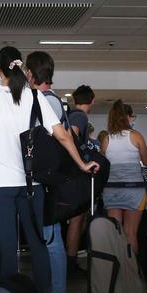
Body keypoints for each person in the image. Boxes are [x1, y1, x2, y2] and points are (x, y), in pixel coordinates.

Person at [0, 46, 98, 293]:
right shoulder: (35, 97)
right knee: (38, 244)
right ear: (22, 68)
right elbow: (62, 136)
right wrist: (82, 164)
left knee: (6, 247)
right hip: (32, 184)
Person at [25, 50, 66, 293]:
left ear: (29, 73)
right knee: (48, 241)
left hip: (46, 183)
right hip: (47, 180)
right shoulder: (51, 101)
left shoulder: (44, 101)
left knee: (51, 242)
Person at [101, 99, 147, 253]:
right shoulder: (136, 136)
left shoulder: (106, 139)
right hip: (133, 190)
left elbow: (103, 164)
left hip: (112, 189)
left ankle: (116, 272)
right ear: (127, 117)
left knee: (115, 234)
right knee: (131, 233)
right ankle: (130, 273)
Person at [64, 85, 95, 273]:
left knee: (78, 220)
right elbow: (70, 136)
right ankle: (71, 262)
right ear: (91, 100)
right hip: (75, 175)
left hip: (73, 174)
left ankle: (70, 259)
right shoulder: (80, 116)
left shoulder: (73, 115)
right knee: (77, 220)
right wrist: (81, 159)